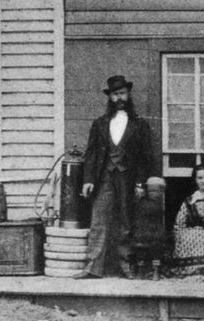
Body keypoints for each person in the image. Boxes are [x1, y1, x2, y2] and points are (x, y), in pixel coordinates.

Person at [78, 74, 153, 279]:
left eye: (122, 93)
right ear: (109, 97)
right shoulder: (100, 123)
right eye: (115, 94)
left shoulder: (140, 125)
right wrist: (88, 180)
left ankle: (126, 266)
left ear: (128, 95)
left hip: (128, 179)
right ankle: (93, 267)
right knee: (98, 220)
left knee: (126, 222)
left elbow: (146, 158)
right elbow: (91, 155)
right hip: (104, 177)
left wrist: (140, 183)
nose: (119, 98)